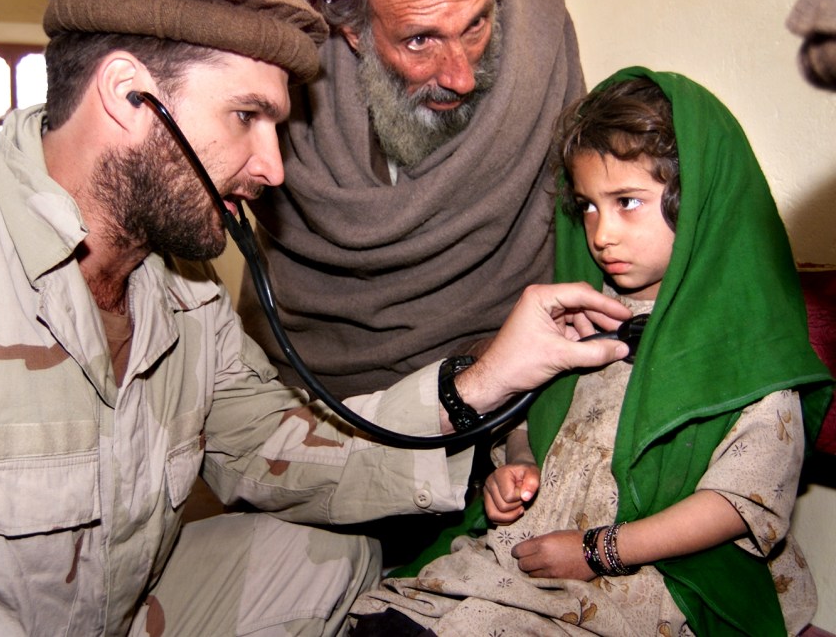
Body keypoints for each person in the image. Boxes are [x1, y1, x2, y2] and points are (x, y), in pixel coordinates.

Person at [0, 0, 632, 636]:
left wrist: (486, 378)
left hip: (110, 610)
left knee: (333, 560)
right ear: (129, 98)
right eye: (247, 117)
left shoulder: (182, 291)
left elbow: (277, 452)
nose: (273, 169)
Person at [349, 67, 834, 636]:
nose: (601, 234)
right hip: (525, 553)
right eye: (588, 207)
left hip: (641, 575)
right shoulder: (581, 313)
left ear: (699, 201)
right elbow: (533, 414)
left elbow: (739, 501)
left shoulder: (750, 348)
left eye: (628, 201)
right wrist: (519, 463)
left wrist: (599, 550)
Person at [237, 0, 586, 400]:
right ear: (353, 32)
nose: (460, 76)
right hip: (315, 402)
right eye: (420, 40)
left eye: (476, 25)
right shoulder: (282, 75)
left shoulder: (539, 36)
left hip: (520, 396)